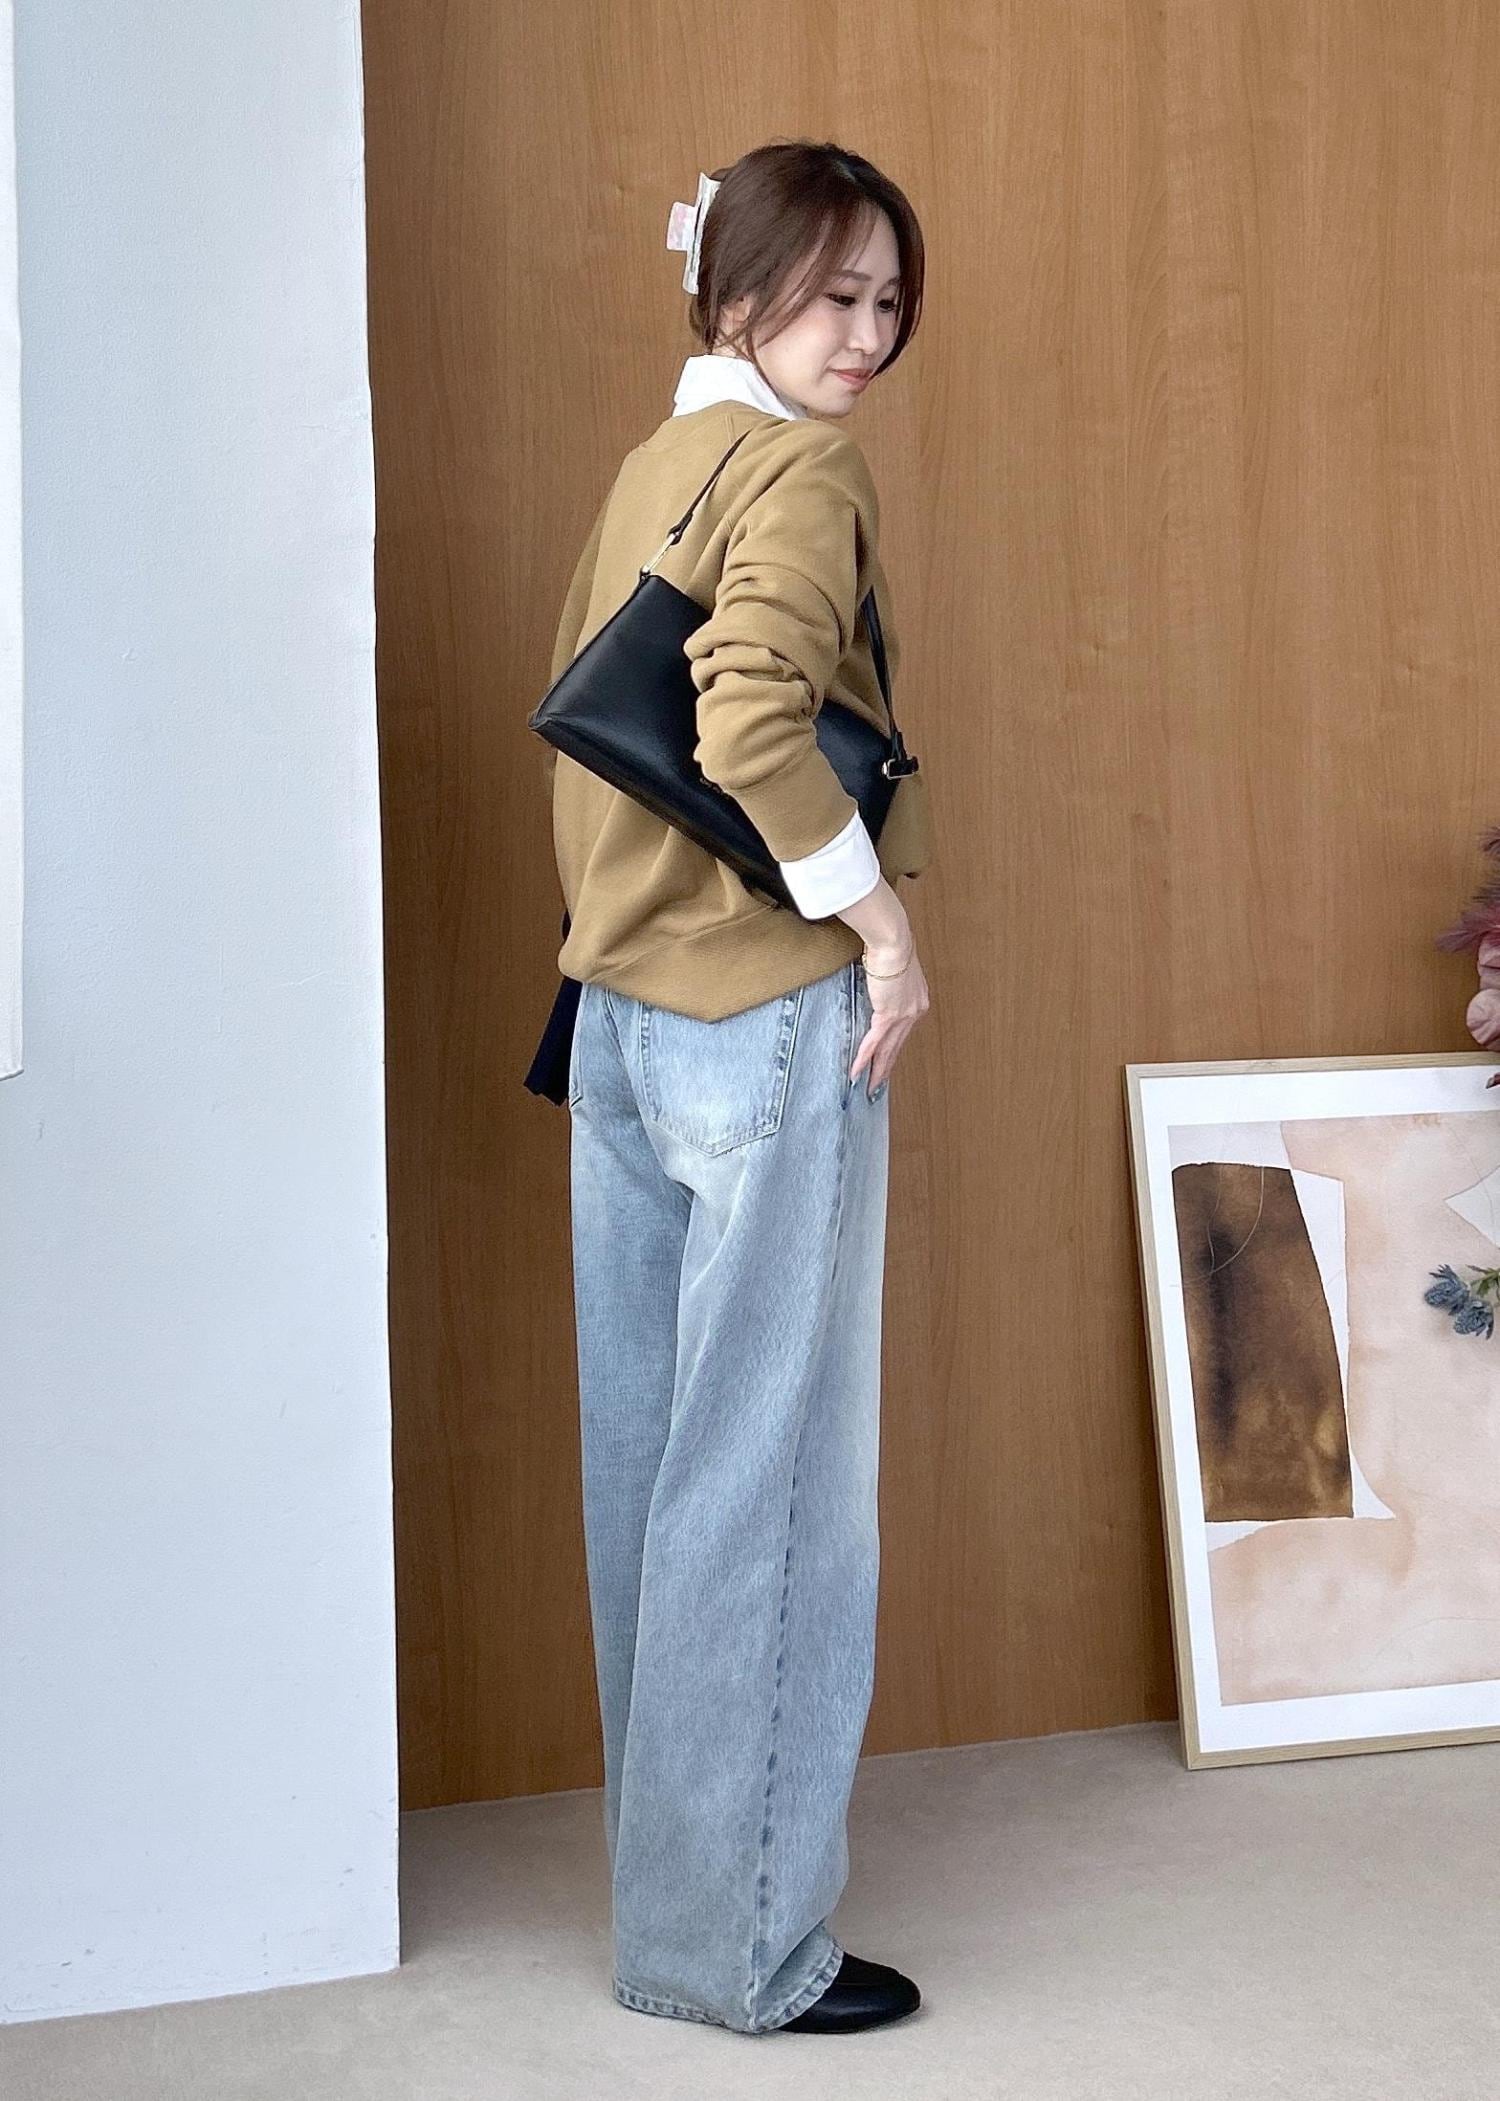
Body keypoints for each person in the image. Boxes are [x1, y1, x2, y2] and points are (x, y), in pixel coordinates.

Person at [540, 140, 934, 2035]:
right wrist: (877, 922)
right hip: (764, 1018)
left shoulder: (658, 461)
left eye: (888, 301)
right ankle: (745, 1951)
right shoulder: (804, 469)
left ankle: (678, 1921)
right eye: (830, 294)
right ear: (737, 291)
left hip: (618, 1018)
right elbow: (751, 715)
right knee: (768, 1485)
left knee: (655, 1468)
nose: (864, 337)